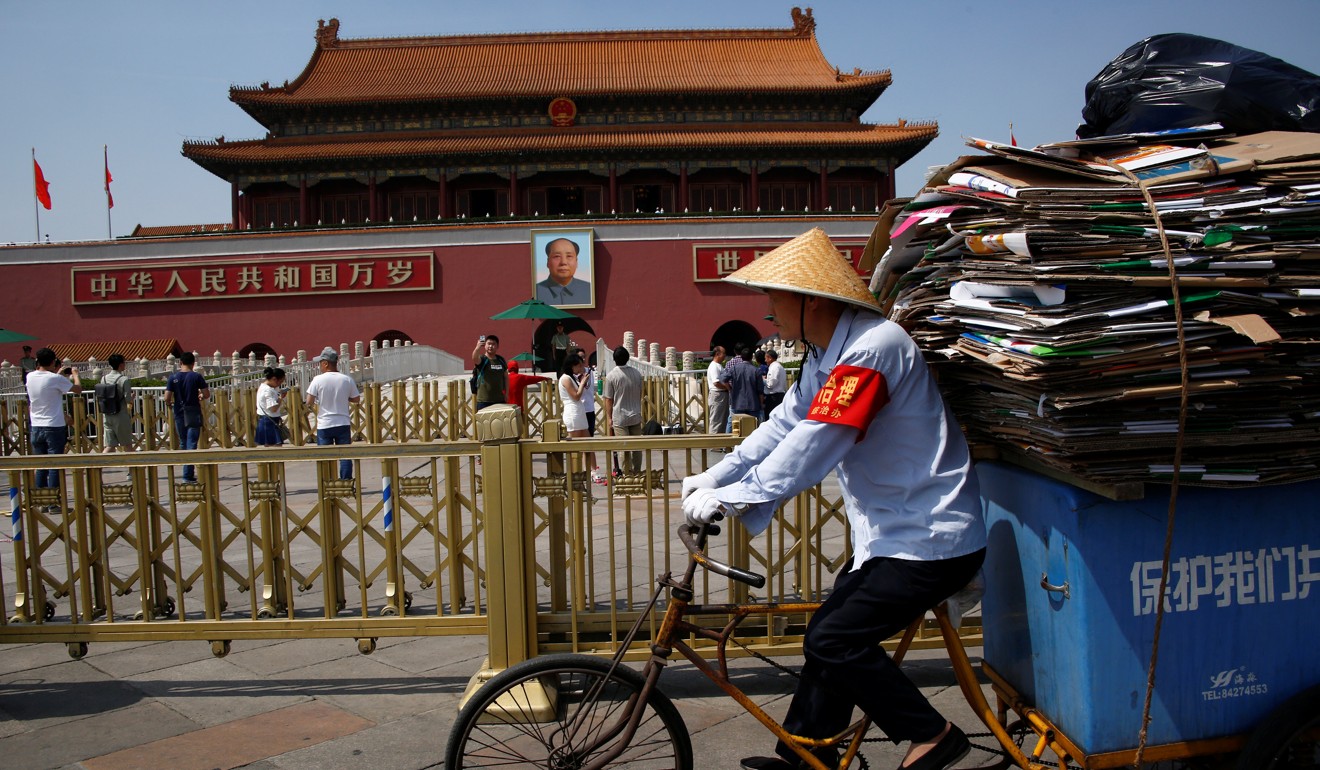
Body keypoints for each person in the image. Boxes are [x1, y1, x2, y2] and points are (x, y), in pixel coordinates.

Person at [680, 228, 985, 770]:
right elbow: (784, 425)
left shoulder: (874, 349)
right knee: (827, 636)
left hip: (931, 539)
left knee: (832, 639)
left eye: (776, 297)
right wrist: (715, 474)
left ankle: (933, 734)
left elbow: (815, 444)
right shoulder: (826, 356)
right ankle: (804, 758)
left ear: (811, 299)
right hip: (890, 536)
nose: (769, 311)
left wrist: (731, 499)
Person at [26, 347, 81, 489]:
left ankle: (42, 499)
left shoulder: (30, 377)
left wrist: (58, 374)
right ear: (53, 361)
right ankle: (54, 501)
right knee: (55, 464)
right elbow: (78, 389)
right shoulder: (55, 379)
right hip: (53, 426)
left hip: (36, 426)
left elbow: (46, 384)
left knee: (41, 465)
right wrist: (75, 374)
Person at [305, 347, 361, 480]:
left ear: (325, 363)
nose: (320, 366)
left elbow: (309, 401)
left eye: (320, 363)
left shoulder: (318, 380)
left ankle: (327, 482)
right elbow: (356, 399)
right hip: (342, 422)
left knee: (325, 456)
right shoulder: (346, 379)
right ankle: (345, 482)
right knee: (345, 455)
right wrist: (344, 397)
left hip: (325, 424)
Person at [164, 351, 210, 484]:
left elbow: (167, 397)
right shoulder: (196, 377)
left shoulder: (173, 378)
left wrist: (169, 404)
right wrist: (200, 396)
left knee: (184, 442)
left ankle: (188, 473)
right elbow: (206, 394)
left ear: (180, 363)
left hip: (179, 412)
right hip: (193, 412)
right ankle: (187, 474)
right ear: (193, 363)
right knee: (191, 443)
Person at [556, 350, 599, 481]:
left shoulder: (571, 378)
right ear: (572, 366)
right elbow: (576, 396)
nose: (581, 368)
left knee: (588, 443)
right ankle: (574, 473)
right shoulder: (565, 378)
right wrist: (581, 383)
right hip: (573, 413)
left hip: (580, 413)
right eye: (579, 366)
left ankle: (593, 470)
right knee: (574, 446)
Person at [603, 345, 644, 475]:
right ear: (628, 358)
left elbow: (609, 399)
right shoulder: (637, 373)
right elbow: (640, 392)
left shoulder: (611, 376)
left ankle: (627, 474)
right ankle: (637, 472)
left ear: (614, 359)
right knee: (637, 447)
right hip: (635, 414)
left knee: (624, 447)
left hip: (620, 416)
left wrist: (609, 417)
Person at [534, 237, 591, 306]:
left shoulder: (589, 290)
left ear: (576, 262)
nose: (563, 262)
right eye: (557, 256)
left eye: (569, 256)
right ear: (548, 262)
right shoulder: (535, 292)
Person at [100, 353, 135, 453]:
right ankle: (135, 467)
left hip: (107, 414)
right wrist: (132, 398)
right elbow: (128, 400)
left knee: (110, 446)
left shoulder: (104, 378)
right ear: (120, 365)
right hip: (120, 415)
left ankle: (98, 465)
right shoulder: (124, 380)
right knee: (127, 445)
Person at [720, 345, 764, 425]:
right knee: (753, 425)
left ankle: (729, 437)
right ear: (751, 357)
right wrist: (761, 404)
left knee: (734, 424)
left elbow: (723, 378)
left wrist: (730, 389)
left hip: (737, 402)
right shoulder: (756, 370)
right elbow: (760, 390)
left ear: (742, 357)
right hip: (753, 403)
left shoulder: (734, 368)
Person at [470, 335, 509, 410]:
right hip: (484, 401)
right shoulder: (482, 359)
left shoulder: (501, 360)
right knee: (483, 422)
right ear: (485, 345)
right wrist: (477, 347)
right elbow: (474, 358)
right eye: (488, 344)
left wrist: (507, 394)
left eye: (493, 344)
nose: (490, 346)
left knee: (499, 422)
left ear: (497, 346)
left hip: (499, 399)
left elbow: (506, 377)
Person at [255, 367, 288, 447]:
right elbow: (273, 408)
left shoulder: (264, 387)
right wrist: (280, 398)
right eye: (280, 381)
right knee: (275, 449)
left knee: (269, 448)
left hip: (266, 419)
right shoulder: (268, 390)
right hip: (269, 421)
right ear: (274, 379)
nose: (280, 384)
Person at [706, 345, 729, 434]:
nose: (724, 356)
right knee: (716, 420)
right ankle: (714, 444)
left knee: (722, 419)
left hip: (721, 395)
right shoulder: (714, 366)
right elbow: (716, 383)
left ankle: (720, 442)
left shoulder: (718, 365)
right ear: (717, 354)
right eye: (723, 353)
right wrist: (727, 388)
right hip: (717, 395)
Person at [763, 349, 787, 419]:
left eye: (766, 358)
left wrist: (763, 380)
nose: (765, 361)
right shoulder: (779, 366)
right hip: (778, 396)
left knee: (771, 418)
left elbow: (770, 384)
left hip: (773, 397)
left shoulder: (774, 367)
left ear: (770, 358)